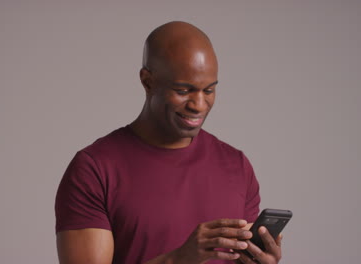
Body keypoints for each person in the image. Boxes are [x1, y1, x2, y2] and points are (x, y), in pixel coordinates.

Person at [55, 21, 283, 264]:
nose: (198, 105)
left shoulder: (237, 166)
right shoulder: (94, 169)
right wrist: (178, 259)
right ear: (147, 81)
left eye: (208, 90)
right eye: (184, 90)